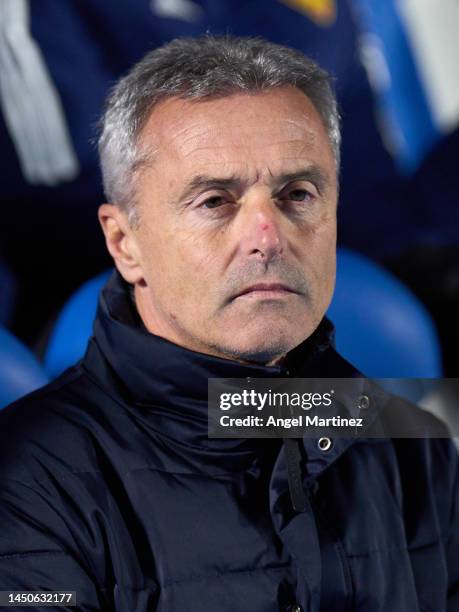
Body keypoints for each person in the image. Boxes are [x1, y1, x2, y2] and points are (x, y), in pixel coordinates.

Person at [0, 35, 457, 611]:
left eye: (297, 193)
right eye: (215, 201)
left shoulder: (415, 445)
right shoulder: (25, 482)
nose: (268, 238)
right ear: (125, 243)